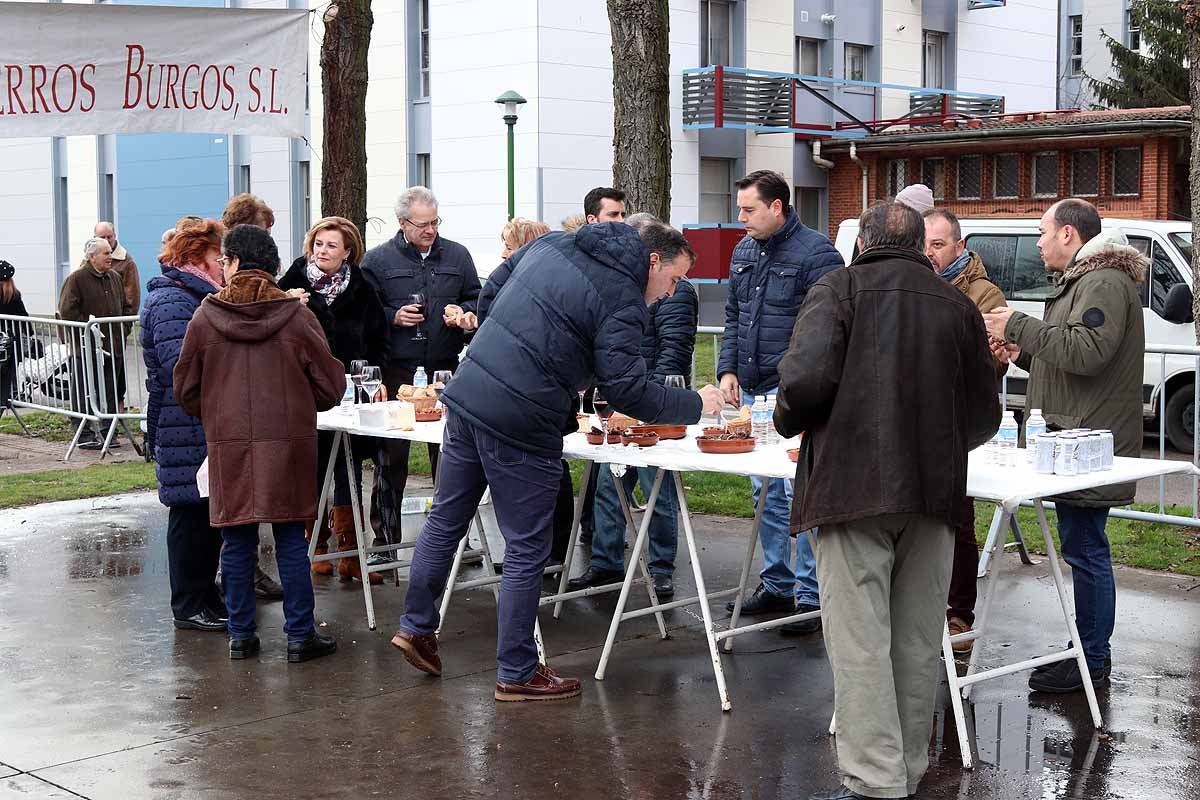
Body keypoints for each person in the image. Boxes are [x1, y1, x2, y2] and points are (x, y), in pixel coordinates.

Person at [391, 221, 723, 701]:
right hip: (524, 418)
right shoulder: (623, 298)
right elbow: (628, 389)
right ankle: (518, 671)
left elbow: (490, 296)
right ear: (652, 261)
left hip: (468, 394)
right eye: (673, 280)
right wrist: (695, 404)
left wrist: (511, 348)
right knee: (528, 546)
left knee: (446, 519)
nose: (670, 294)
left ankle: (417, 625)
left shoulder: (555, 244)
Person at [776, 201, 1000, 800]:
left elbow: (801, 384)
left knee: (861, 642)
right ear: (917, 246)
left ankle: (876, 783)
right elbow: (984, 412)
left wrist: (788, 421)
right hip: (932, 493)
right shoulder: (956, 304)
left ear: (864, 242)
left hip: (851, 490)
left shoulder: (839, 288)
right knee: (916, 641)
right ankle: (901, 774)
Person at [983, 198, 1145, 694]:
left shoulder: (1102, 282)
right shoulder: (1089, 280)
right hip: (1077, 436)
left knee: (1087, 550)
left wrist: (1016, 326)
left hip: (1086, 443)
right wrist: (1023, 351)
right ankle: (1089, 654)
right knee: (1083, 548)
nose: (1038, 242)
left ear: (1069, 235)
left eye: (1042, 231)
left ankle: (1092, 660)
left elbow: (1088, 352)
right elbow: (1067, 359)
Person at [174, 224, 346, 662]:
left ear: (231, 263)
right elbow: (329, 388)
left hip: (229, 444)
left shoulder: (205, 316)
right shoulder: (296, 316)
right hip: (287, 444)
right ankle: (300, 636)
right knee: (291, 538)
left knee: (236, 541)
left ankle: (240, 636)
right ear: (271, 267)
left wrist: (217, 411)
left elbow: (185, 390)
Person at [717, 169, 844, 633]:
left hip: (794, 389)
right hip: (752, 388)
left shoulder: (817, 253)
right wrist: (727, 368)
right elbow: (734, 315)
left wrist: (803, 384)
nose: (740, 218)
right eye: (739, 209)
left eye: (749, 209)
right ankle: (777, 581)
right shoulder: (744, 250)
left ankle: (810, 595)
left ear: (777, 207)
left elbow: (827, 329)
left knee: (799, 491)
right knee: (764, 492)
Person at [569, 216, 697, 598]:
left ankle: (660, 568)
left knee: (655, 490)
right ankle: (606, 563)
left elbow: (672, 354)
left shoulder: (677, 293)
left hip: (651, 401)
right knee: (609, 485)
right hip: (625, 397)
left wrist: (646, 402)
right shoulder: (626, 287)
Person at [361, 187, 481, 565]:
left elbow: (479, 299)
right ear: (402, 223)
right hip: (398, 369)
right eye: (422, 224)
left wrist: (463, 313)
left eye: (435, 222)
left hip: (446, 367)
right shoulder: (377, 261)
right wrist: (392, 316)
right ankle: (385, 542)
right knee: (391, 459)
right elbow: (363, 312)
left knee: (452, 456)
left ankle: (452, 543)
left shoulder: (457, 255)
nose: (430, 230)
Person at [279, 216, 390, 584]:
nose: (323, 251)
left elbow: (378, 340)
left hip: (350, 394)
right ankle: (318, 546)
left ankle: (352, 551)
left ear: (347, 252)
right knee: (311, 468)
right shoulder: (290, 284)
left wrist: (376, 378)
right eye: (318, 244)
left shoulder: (362, 287)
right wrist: (287, 305)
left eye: (331, 245)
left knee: (349, 469)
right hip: (304, 393)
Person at [923, 208, 1007, 653]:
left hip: (959, 419)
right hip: (917, 417)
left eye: (937, 244)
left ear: (958, 246)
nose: (929, 253)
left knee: (958, 519)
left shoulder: (983, 293)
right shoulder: (917, 282)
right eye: (924, 244)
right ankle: (922, 608)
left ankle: (959, 615)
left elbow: (994, 360)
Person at [141, 218, 227, 632]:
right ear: (197, 257)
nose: (224, 264)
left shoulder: (195, 295)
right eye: (218, 256)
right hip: (184, 421)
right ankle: (188, 604)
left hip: (195, 421)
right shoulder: (173, 300)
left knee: (205, 514)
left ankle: (204, 595)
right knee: (190, 516)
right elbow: (182, 367)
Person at [59, 237, 132, 449]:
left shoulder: (114, 277)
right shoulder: (76, 279)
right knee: (83, 389)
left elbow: (126, 307)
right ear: (92, 257)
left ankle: (110, 431)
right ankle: (84, 434)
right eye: (106, 253)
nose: (111, 257)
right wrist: (90, 331)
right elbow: (66, 311)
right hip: (87, 348)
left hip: (113, 346)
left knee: (111, 390)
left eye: (110, 252)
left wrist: (122, 330)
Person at [0, 260, 30, 411]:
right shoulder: (14, 294)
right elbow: (24, 316)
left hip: (4, 340)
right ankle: (14, 394)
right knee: (10, 369)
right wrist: (29, 335)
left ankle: (9, 395)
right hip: (13, 340)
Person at [94, 221, 141, 315]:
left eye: (109, 236)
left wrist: (125, 325)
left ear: (115, 236)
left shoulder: (126, 262)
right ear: (95, 238)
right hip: (92, 322)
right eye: (102, 237)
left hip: (116, 322)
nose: (106, 240)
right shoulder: (88, 260)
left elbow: (132, 298)